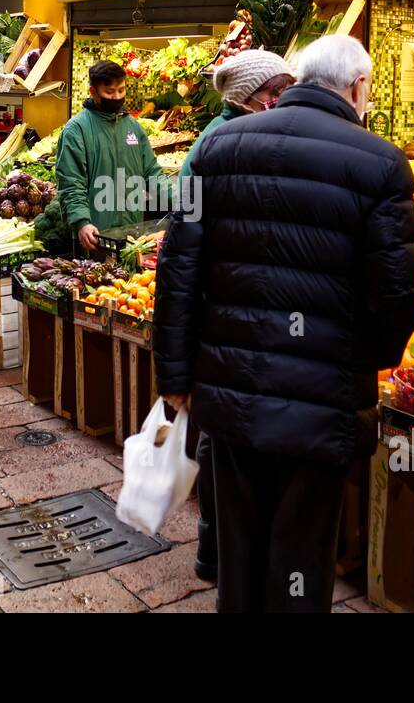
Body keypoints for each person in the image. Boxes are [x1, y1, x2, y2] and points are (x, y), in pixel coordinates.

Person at [153, 34, 414, 612]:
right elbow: (399, 293)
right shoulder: (381, 162)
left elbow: (179, 269)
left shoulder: (216, 147)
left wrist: (175, 374)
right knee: (302, 553)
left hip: (229, 389)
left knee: (239, 544)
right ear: (357, 87)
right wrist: (362, 362)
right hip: (321, 397)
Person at [173, 49, 296, 582]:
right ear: (248, 98)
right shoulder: (213, 145)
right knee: (219, 437)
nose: (280, 103)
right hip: (220, 315)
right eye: (274, 93)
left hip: (232, 312)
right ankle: (214, 551)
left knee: (224, 435)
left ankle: (223, 553)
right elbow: (189, 238)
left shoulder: (250, 137)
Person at [56, 60, 167, 252]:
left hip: (133, 235)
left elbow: (152, 172)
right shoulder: (77, 130)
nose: (117, 97)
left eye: (121, 90)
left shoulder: (134, 127)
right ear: (93, 92)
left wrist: (181, 200)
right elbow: (71, 183)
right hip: (95, 235)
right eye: (109, 92)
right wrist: (82, 221)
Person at [179, 49, 294, 180]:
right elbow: (189, 197)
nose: (282, 102)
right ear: (244, 97)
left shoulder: (254, 132)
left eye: (288, 92)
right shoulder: (222, 143)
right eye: (276, 93)